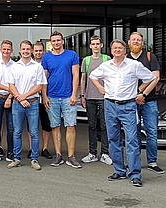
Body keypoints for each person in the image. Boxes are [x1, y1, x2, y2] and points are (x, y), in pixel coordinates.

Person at [89, 40, 156, 187]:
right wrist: (100, 89)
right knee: (113, 139)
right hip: (110, 105)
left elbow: (151, 78)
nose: (117, 50)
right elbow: (92, 76)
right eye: (115, 48)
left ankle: (135, 174)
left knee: (132, 140)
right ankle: (119, 170)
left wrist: (140, 92)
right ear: (111, 50)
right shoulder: (106, 66)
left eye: (120, 48)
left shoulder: (134, 65)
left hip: (128, 106)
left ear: (124, 50)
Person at [41, 31, 81, 168]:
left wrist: (74, 94)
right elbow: (44, 79)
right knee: (55, 126)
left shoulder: (72, 55)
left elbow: (76, 76)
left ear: (62, 41)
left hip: (68, 96)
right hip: (52, 97)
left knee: (70, 126)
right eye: (54, 41)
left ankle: (71, 156)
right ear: (51, 43)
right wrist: (44, 96)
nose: (56, 43)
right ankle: (58, 155)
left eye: (58, 40)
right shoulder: (46, 58)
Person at [6, 40, 47, 171]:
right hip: (17, 104)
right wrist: (20, 97)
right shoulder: (14, 67)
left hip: (33, 103)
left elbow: (39, 86)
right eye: (23, 49)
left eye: (28, 49)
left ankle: (34, 159)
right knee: (17, 132)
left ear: (31, 51)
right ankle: (16, 158)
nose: (25, 51)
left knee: (34, 132)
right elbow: (11, 85)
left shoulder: (37, 67)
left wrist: (25, 96)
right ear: (20, 50)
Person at [127, 32, 164, 174]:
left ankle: (152, 162)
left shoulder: (150, 57)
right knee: (133, 134)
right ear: (129, 42)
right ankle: (134, 163)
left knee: (152, 132)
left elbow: (156, 77)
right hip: (131, 102)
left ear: (142, 43)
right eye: (133, 40)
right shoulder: (125, 58)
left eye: (139, 40)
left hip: (149, 101)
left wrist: (143, 94)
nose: (136, 42)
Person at [79, 35, 112, 165]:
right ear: (90, 46)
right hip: (90, 97)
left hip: (104, 97)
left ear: (101, 45)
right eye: (93, 44)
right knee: (91, 126)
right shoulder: (86, 60)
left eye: (98, 44)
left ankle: (105, 153)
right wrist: (82, 96)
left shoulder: (107, 59)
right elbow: (83, 79)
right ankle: (92, 153)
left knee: (104, 125)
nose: (96, 46)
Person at [32, 42, 53, 159]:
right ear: (32, 52)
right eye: (36, 51)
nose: (38, 53)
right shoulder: (28, 64)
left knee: (46, 124)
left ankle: (45, 148)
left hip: (45, 98)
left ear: (43, 51)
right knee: (32, 126)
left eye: (40, 51)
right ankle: (32, 148)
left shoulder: (48, 63)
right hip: (33, 98)